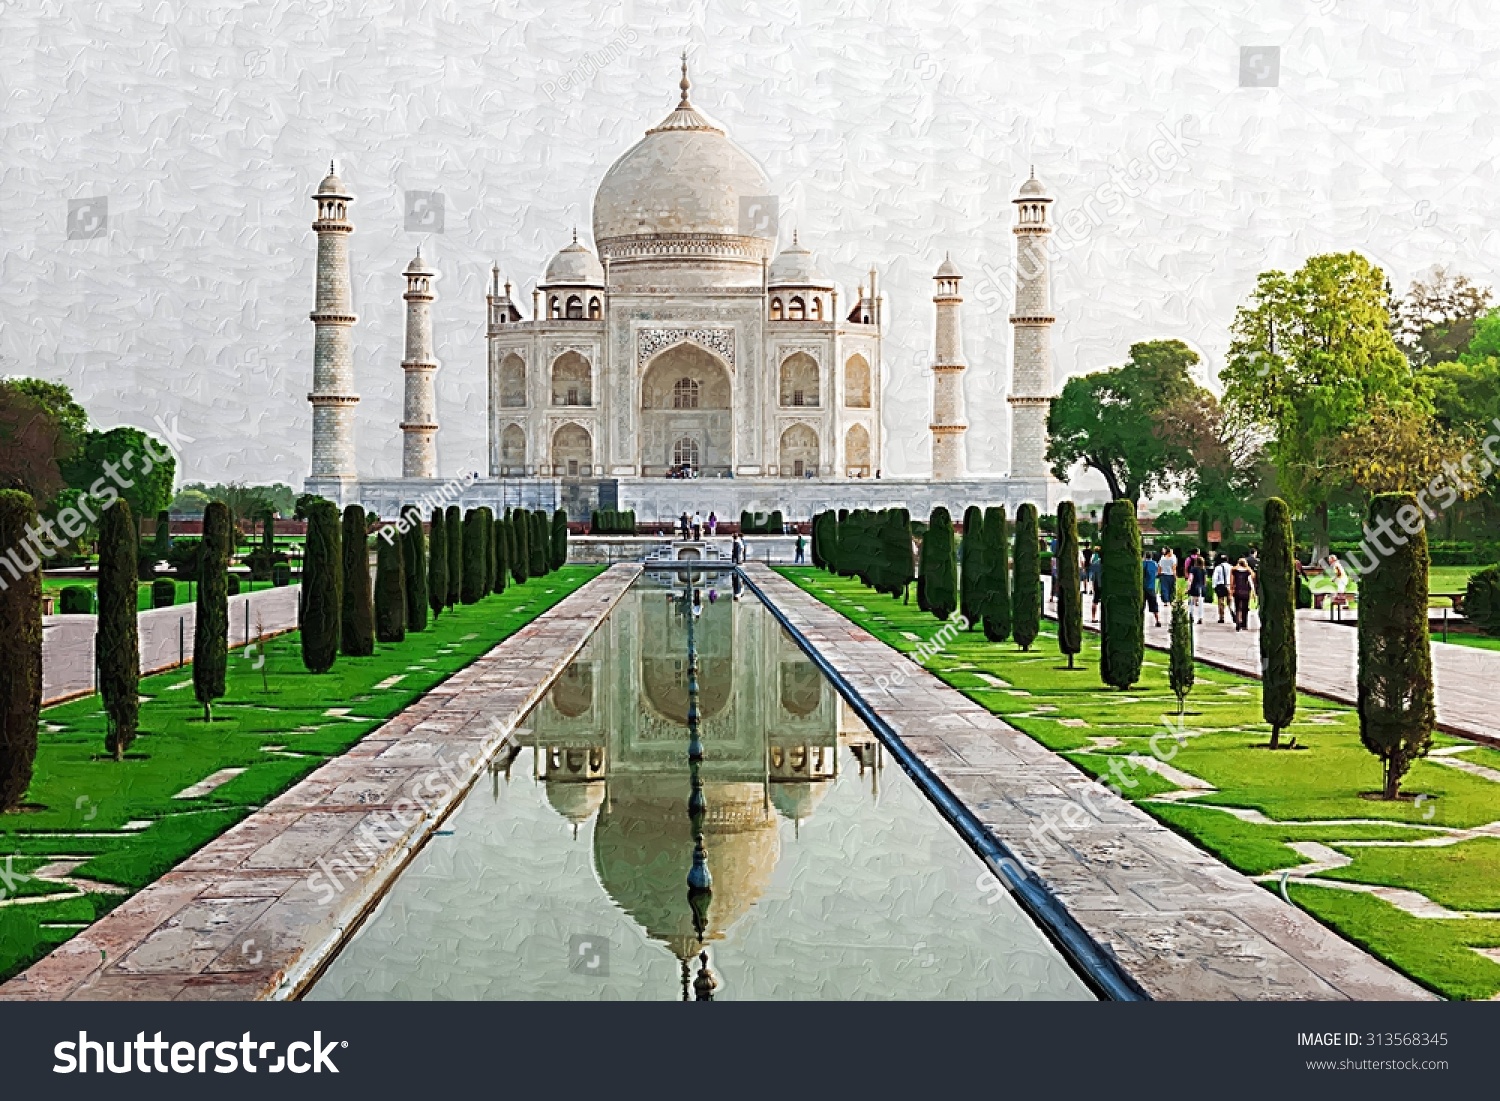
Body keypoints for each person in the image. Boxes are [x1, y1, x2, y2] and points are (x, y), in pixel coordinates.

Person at [1230, 557, 1256, 631]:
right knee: (1245, 608)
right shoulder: (1248, 571)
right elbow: (1253, 578)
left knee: (1237, 608)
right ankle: (1244, 624)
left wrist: (1231, 591)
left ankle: (1238, 623)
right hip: (1245, 591)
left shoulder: (1234, 570)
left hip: (1237, 591)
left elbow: (1232, 582)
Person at [1186, 546, 1207, 624]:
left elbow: (1190, 579)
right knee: (1201, 604)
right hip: (1202, 588)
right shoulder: (1204, 570)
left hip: (1194, 587)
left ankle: (1191, 616)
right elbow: (1205, 580)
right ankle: (1200, 617)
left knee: (1191, 602)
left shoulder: (1193, 569)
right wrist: (1204, 587)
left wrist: (1187, 588)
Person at [1142, 552, 1161, 628]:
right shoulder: (1155, 564)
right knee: (1154, 605)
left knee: (1141, 606)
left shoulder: (1142, 563)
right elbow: (1157, 573)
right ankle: (1157, 620)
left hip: (1143, 587)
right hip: (1151, 587)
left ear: (1144, 556)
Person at [1212, 554, 1232, 623]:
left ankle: (1221, 617)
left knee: (1221, 602)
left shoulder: (1218, 567)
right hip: (1229, 585)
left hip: (1220, 585)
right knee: (1230, 602)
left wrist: (1214, 586)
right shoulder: (1231, 567)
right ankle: (1233, 615)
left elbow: (1215, 577)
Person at [1088, 550, 1103, 621]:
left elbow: (1092, 577)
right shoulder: (1108, 565)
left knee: (1095, 601)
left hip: (1097, 585)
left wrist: (1092, 587)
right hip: (1105, 586)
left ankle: (1093, 617)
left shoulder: (1095, 563)